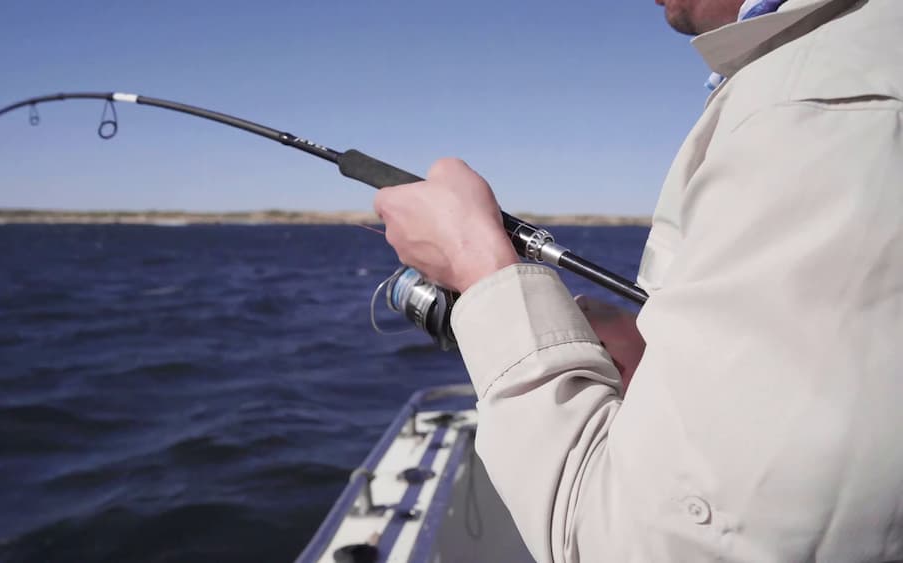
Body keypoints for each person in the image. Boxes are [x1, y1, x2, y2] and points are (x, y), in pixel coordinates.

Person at [372, 0, 903, 561]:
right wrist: (662, 348)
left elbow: (658, 544)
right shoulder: (820, 67)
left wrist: (476, 263)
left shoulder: (825, 107)